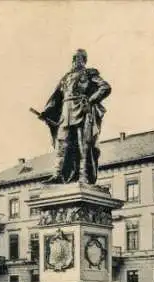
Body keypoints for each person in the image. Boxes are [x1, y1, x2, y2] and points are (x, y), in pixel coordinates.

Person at [38, 49, 111, 184]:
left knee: (83, 144)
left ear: (84, 60)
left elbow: (105, 87)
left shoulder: (89, 74)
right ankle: (58, 174)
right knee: (62, 144)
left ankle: (83, 176)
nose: (75, 61)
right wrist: (47, 112)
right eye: (73, 58)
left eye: (78, 58)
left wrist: (90, 100)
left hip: (81, 110)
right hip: (66, 113)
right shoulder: (66, 78)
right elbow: (56, 98)